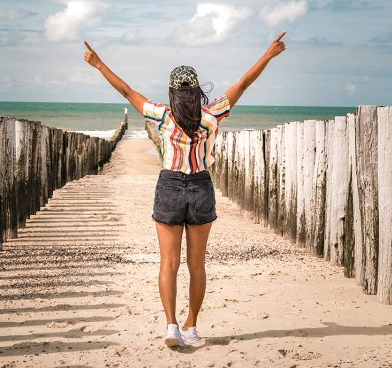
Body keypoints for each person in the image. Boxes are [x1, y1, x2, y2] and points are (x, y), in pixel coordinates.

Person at [83, 31, 286, 347]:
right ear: (196, 90)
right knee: (197, 265)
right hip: (201, 187)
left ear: (172, 91)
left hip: (170, 186)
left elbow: (126, 91)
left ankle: (171, 326)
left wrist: (98, 64)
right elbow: (244, 83)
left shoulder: (163, 115)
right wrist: (268, 55)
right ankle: (192, 325)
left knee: (168, 264)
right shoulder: (213, 113)